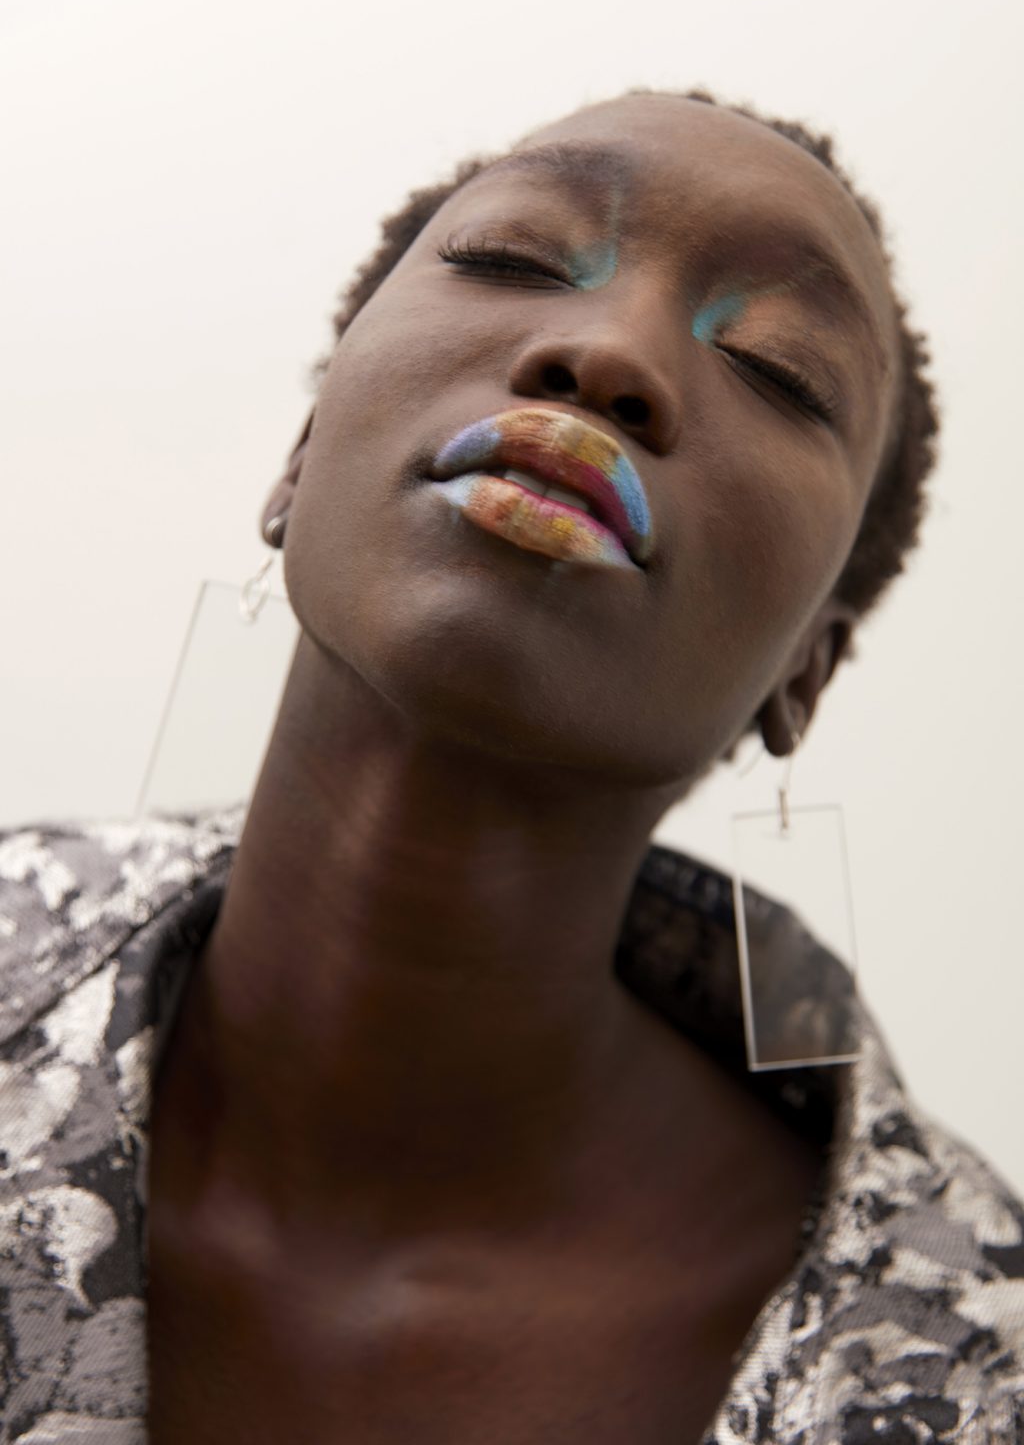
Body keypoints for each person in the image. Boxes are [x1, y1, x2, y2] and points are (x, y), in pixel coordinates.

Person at [1, 87, 1021, 1445]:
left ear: (804, 673)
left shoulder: (978, 1376)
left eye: (777, 369)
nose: (611, 355)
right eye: (517, 257)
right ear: (301, 456)